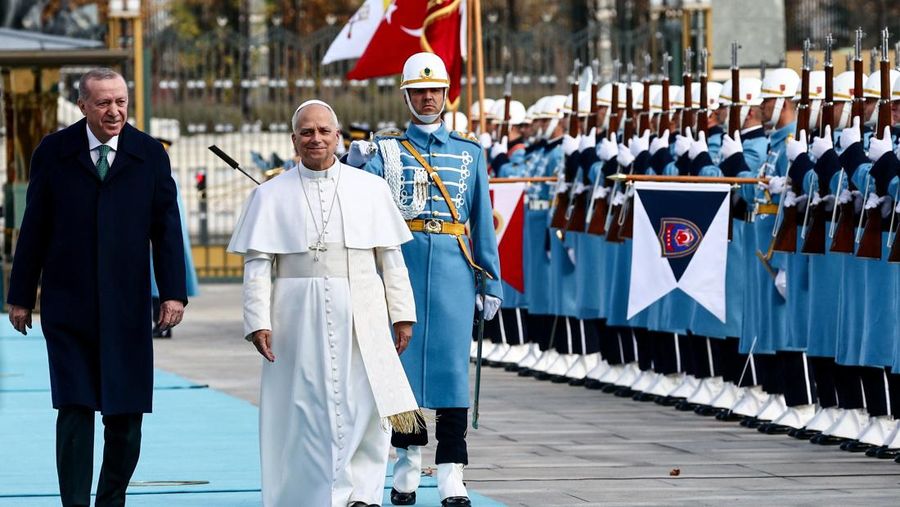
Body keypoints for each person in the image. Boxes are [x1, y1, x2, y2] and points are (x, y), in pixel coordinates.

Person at [7, 67, 187, 507]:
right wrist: (20, 295)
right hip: (68, 304)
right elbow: (34, 226)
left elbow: (166, 228)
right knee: (74, 408)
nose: (114, 111)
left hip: (127, 307)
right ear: (83, 105)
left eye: (121, 102)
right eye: (104, 103)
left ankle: (110, 499)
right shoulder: (54, 152)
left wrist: (172, 292)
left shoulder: (149, 153)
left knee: (126, 416)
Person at [228, 99, 421, 507]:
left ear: (338, 136)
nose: (315, 138)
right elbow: (258, 265)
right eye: (306, 132)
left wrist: (402, 315)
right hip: (297, 313)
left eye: (323, 131)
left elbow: (391, 258)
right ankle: (313, 493)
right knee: (305, 408)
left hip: (363, 308)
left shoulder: (370, 189)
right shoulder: (269, 194)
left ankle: (362, 494)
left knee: (365, 403)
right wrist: (257, 321)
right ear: (293, 139)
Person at [352, 52, 502, 507]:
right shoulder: (387, 149)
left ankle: (453, 471)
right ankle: (408, 463)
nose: (427, 98)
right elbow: (360, 197)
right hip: (404, 268)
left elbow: (482, 222)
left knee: (453, 373)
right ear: (407, 96)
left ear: (446, 94)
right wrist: (354, 163)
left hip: (455, 272)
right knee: (402, 372)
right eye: (419, 91)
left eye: (434, 90)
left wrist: (491, 281)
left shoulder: (469, 151)